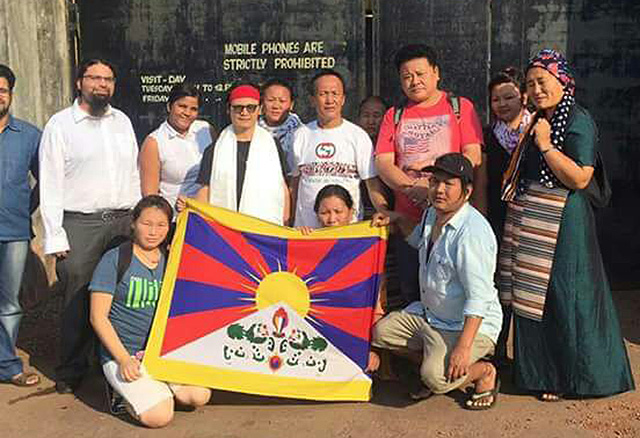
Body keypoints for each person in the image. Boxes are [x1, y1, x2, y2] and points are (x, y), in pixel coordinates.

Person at [499, 49, 634, 401]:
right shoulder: (539, 118)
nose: (537, 89)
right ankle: (541, 374)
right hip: (534, 220)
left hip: (564, 221)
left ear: (563, 81)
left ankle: (574, 377)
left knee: (566, 296)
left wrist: (545, 146)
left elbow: (579, 177)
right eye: (530, 84)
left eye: (542, 81)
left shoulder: (577, 120)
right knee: (535, 300)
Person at [39, 58, 141, 393]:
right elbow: (50, 182)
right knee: (78, 294)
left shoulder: (122, 121)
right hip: (81, 223)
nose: (102, 84)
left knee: (119, 295)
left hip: (123, 221)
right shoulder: (61, 124)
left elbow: (133, 173)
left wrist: (138, 219)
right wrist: (54, 235)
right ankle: (70, 369)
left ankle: (108, 361)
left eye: (108, 79)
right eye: (95, 78)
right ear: (80, 82)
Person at [371, 153, 502, 410]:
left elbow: (479, 297)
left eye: (448, 184)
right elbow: (418, 238)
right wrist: (395, 218)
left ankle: (483, 371)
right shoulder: (433, 214)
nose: (439, 190)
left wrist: (463, 349)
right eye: (435, 182)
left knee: (436, 378)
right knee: (381, 332)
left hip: (467, 326)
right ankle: (435, 367)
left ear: (467, 191)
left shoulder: (472, 233)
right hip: (431, 317)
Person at [374, 44, 485, 305]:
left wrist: (440, 187)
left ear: (436, 73)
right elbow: (383, 162)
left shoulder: (460, 108)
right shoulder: (394, 115)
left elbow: (473, 156)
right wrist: (414, 189)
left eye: (420, 74)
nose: (414, 81)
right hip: (409, 221)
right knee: (412, 294)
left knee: (454, 294)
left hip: (451, 223)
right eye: (407, 76)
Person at [90, 195, 211, 428]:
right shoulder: (115, 259)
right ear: (133, 223)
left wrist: (191, 210)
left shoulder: (171, 258)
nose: (153, 231)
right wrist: (123, 359)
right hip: (123, 354)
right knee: (160, 417)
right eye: (147, 224)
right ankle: (122, 396)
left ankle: (156, 387)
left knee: (198, 396)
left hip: (160, 352)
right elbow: (98, 317)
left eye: (161, 225)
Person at [297, 184, 385, 373]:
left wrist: (371, 349)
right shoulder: (308, 242)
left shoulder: (364, 247)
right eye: (324, 212)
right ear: (316, 214)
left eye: (338, 211)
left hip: (352, 333)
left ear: (351, 212)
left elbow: (375, 306)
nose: (331, 219)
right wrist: (299, 241)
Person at [291, 70, 388, 228]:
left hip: (346, 232)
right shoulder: (301, 135)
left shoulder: (358, 136)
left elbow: (372, 183)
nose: (330, 100)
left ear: (343, 99)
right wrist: (288, 218)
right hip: (307, 231)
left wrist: (384, 211)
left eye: (335, 93)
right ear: (312, 100)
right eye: (323, 94)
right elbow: (294, 183)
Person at [188, 83, 290, 225]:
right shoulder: (214, 149)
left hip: (264, 229)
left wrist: (284, 225)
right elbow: (205, 190)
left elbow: (282, 188)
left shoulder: (273, 145)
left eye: (250, 107)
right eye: (238, 107)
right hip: (225, 230)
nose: (244, 112)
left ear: (259, 109)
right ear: (229, 110)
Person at [483, 67, 532, 364]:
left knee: (531, 290)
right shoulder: (489, 136)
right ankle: (498, 351)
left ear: (524, 97)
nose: (502, 104)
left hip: (533, 220)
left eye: (509, 97)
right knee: (502, 287)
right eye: (496, 99)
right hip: (500, 221)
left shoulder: (538, 131)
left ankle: (530, 359)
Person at [0, 64, 41, 387]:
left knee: (10, 302)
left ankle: (7, 365)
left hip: (13, 231)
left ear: (11, 95)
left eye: (2, 90)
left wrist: (26, 208)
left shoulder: (29, 136)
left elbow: (47, 180)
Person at [139, 83, 214, 211]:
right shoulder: (154, 142)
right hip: (175, 219)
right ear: (169, 106)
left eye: (193, 109)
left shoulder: (207, 129)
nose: (187, 113)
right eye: (182, 106)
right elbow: (150, 196)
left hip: (207, 214)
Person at [258, 78, 303, 177]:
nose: (276, 106)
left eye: (282, 101)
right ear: (262, 103)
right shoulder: (252, 130)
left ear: (291, 105)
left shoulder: (301, 134)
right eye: (271, 100)